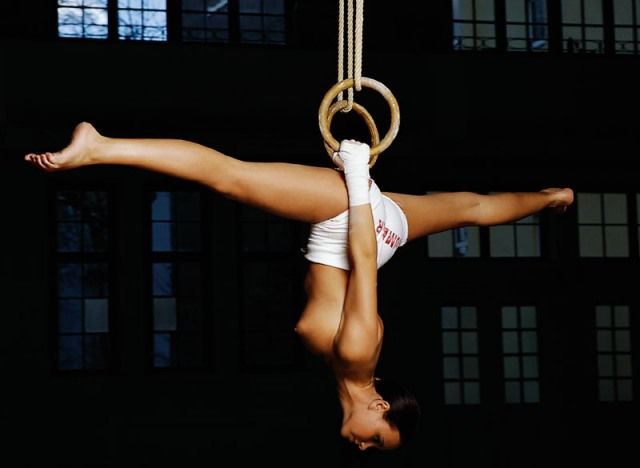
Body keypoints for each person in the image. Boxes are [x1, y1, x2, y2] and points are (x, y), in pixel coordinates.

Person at [24, 122, 574, 451]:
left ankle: (552, 197)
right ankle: (99, 147)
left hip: (384, 231)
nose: (362, 446)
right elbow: (359, 259)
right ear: (380, 406)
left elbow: (392, 247)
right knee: (228, 175)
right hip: (351, 221)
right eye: (376, 439)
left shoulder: (344, 369)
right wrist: (357, 175)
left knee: (474, 209)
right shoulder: (357, 356)